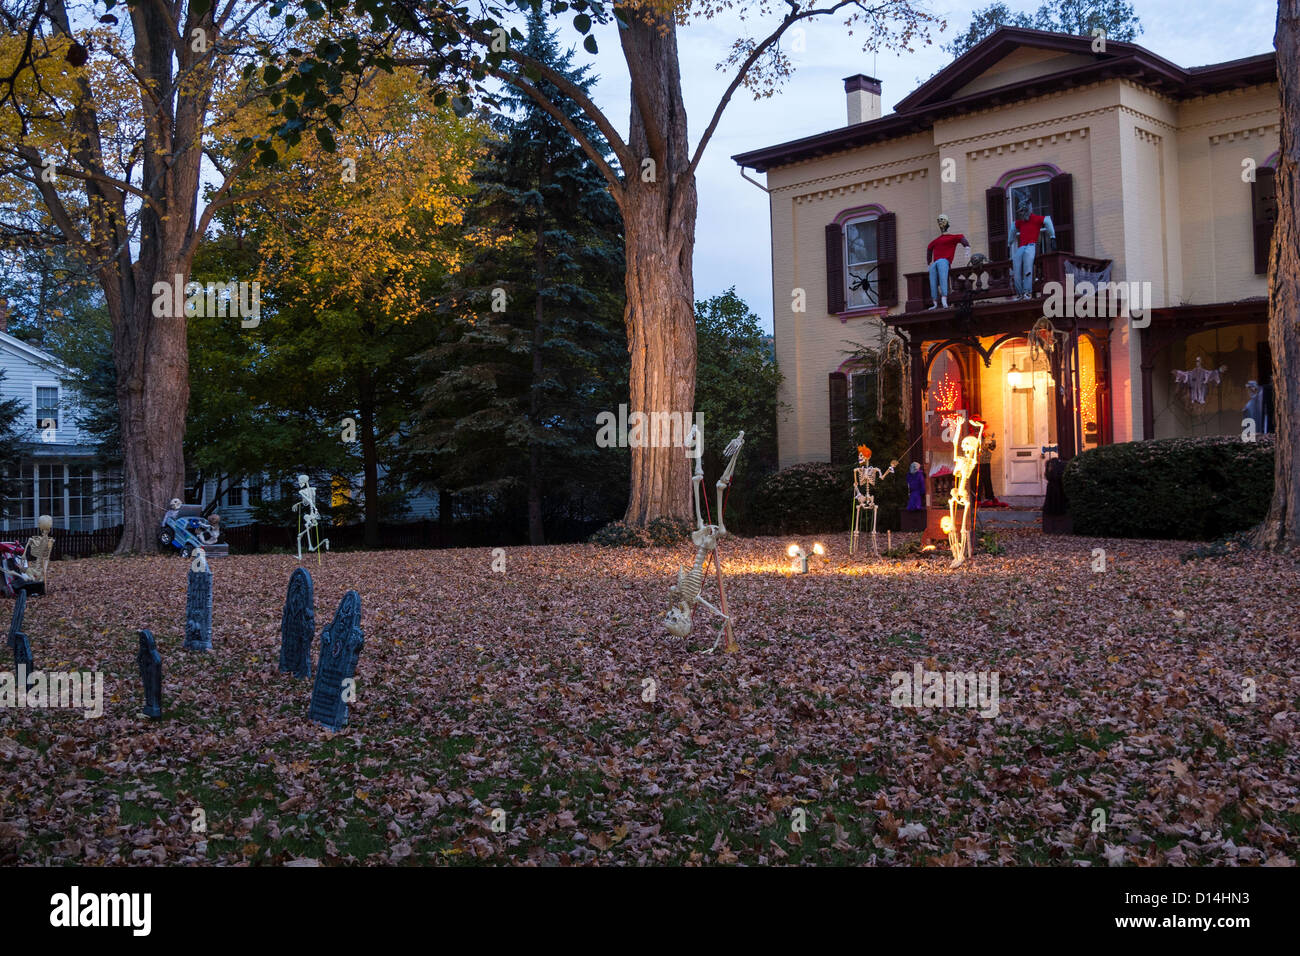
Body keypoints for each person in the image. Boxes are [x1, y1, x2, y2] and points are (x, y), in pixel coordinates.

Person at [1009, 199, 1055, 298]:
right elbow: (1013, 228)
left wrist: (1052, 237)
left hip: (1031, 245)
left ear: (1027, 210)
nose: (1021, 214)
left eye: (1022, 211)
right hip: (1022, 246)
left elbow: (1047, 220)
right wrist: (1009, 243)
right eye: (1020, 211)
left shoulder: (1035, 219)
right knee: (1016, 269)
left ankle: (1027, 291)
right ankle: (1020, 293)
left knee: (1028, 267)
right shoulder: (1020, 222)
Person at [926, 214, 969, 309]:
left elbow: (962, 239)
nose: (940, 222)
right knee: (932, 278)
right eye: (939, 221)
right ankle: (935, 302)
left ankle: (944, 298)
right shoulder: (936, 241)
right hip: (936, 263)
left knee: (942, 275)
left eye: (942, 220)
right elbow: (929, 248)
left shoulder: (952, 237)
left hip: (944, 261)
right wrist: (929, 263)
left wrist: (967, 248)